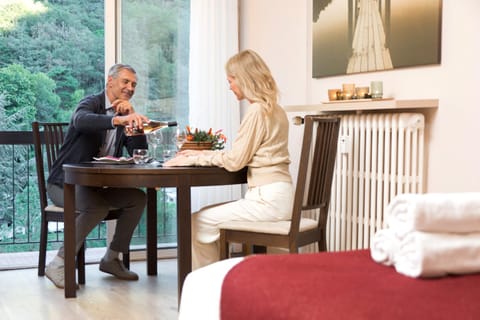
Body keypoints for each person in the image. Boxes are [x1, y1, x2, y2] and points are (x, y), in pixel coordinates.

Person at [164, 49, 294, 270]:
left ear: (244, 79)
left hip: (266, 201)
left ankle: (206, 283)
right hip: (279, 195)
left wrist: (195, 158)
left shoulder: (256, 111)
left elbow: (235, 161)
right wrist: (201, 155)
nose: (230, 86)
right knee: (201, 218)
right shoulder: (276, 110)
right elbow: (242, 156)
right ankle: (216, 279)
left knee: (197, 221)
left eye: (231, 80)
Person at [45, 64, 150, 288]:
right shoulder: (92, 102)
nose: (130, 88)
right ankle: (58, 263)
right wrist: (117, 120)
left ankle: (111, 259)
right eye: (125, 82)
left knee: (137, 198)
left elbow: (139, 152)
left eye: (134, 84)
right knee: (97, 207)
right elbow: (80, 120)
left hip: (95, 187)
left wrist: (131, 118)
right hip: (63, 184)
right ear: (110, 82)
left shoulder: (125, 112)